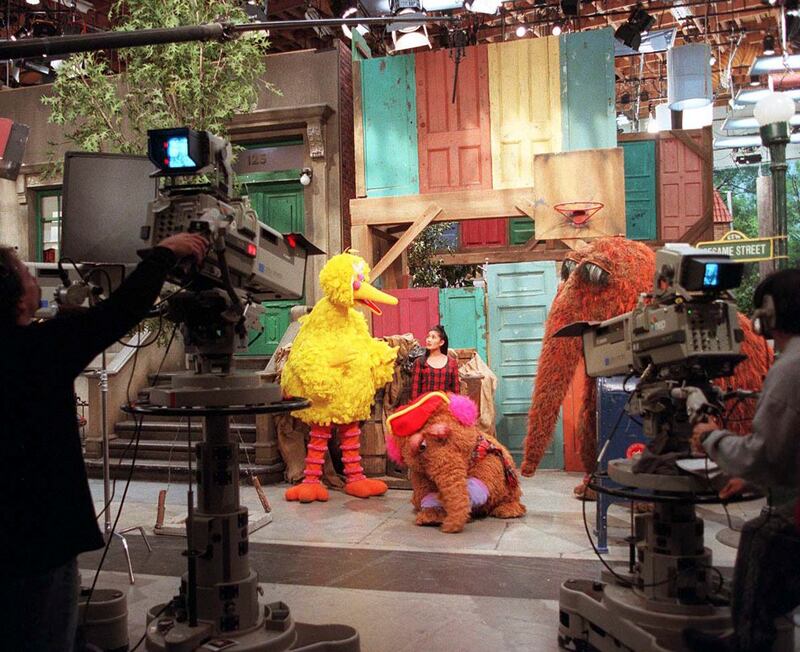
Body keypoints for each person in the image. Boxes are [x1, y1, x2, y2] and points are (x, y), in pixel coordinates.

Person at [0, 232, 207, 652]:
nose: (35, 276)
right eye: (25, 272)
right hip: (39, 543)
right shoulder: (38, 350)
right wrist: (165, 254)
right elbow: (117, 314)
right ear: (16, 299)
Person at [683, 268, 800, 652]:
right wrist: (757, 482)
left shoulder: (789, 368)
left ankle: (749, 641)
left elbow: (764, 455)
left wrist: (710, 437)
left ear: (767, 314)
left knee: (761, 535)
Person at [409, 324, 460, 401]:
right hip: (425, 406)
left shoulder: (452, 363)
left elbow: (456, 391)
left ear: (441, 342)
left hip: (445, 406)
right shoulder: (420, 362)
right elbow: (414, 392)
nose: (429, 340)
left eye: (433, 337)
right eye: (428, 337)